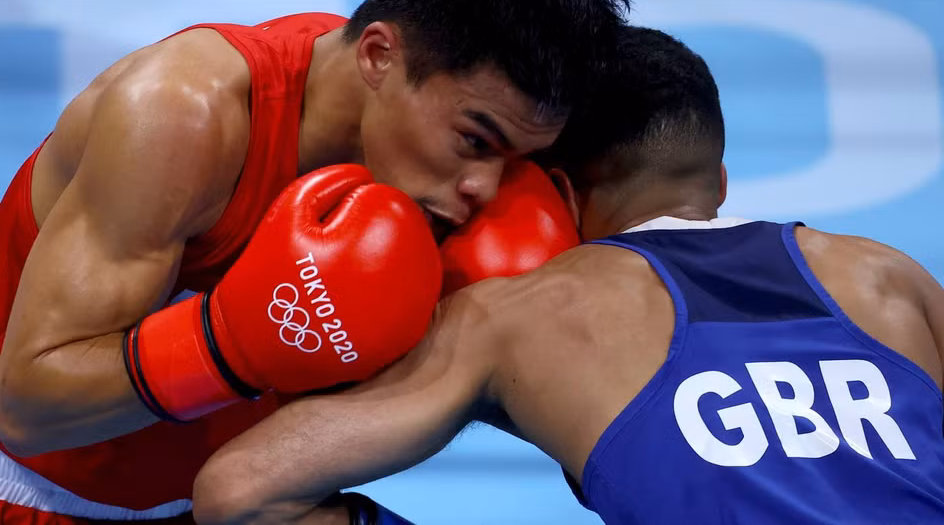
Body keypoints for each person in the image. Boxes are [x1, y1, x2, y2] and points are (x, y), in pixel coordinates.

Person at [0, 0, 629, 524]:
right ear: (379, 57)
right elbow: (26, 409)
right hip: (14, 500)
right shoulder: (184, 117)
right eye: (476, 140)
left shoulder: (431, 168)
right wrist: (226, 344)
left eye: (514, 159)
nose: (484, 185)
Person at [191, 26, 944, 525]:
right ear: (717, 179)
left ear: (551, 190)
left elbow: (239, 495)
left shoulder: (515, 315)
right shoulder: (888, 276)